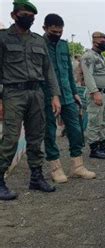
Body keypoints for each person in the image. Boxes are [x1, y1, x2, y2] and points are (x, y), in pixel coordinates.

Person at [0, 0, 62, 200]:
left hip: (36, 93)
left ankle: (36, 177)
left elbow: (48, 70)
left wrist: (54, 95)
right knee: (10, 137)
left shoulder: (38, 40)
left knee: (37, 136)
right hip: (13, 93)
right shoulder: (2, 39)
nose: (29, 18)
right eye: (24, 14)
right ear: (14, 15)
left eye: (32, 16)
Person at [41, 14, 96, 183]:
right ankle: (55, 168)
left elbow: (69, 74)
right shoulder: (39, 44)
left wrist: (75, 92)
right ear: (45, 28)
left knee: (76, 130)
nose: (57, 34)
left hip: (67, 95)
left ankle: (77, 166)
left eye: (60, 31)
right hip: (47, 96)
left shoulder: (64, 46)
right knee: (50, 132)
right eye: (53, 31)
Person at [80, 31, 105, 159]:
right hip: (97, 93)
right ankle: (94, 149)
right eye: (103, 42)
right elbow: (88, 75)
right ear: (94, 40)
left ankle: (103, 146)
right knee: (94, 121)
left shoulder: (102, 57)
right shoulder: (88, 56)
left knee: (104, 121)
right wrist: (95, 92)